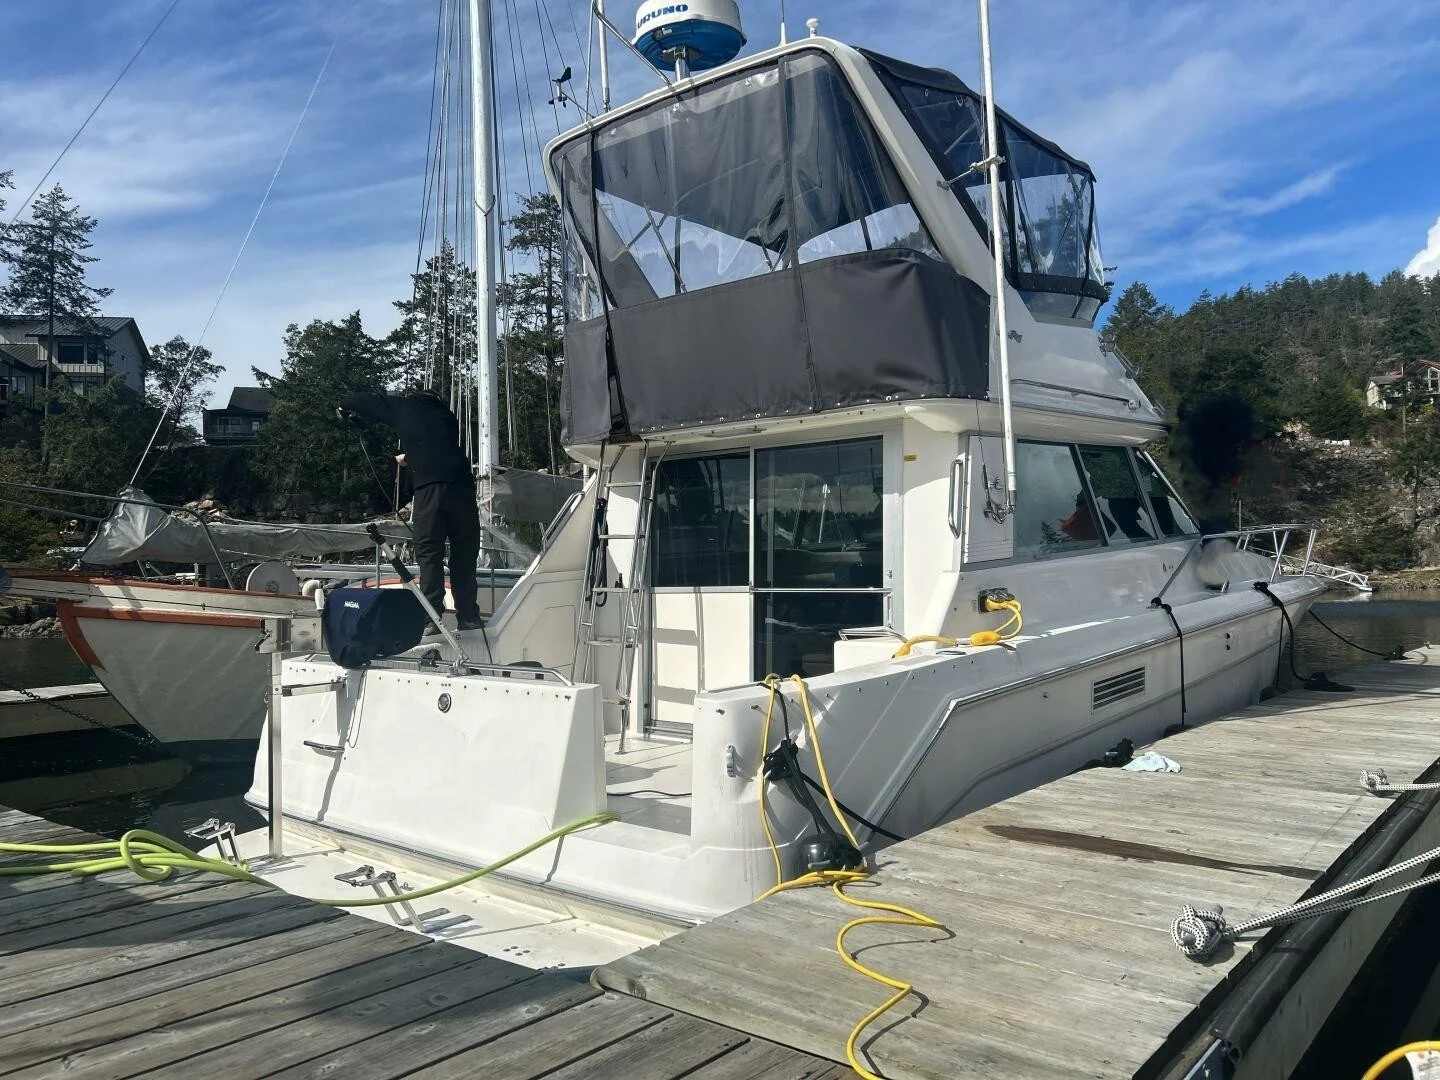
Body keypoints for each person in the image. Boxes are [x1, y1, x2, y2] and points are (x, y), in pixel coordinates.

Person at [339, 386, 482, 632]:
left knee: (430, 553)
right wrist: (410, 458)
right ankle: (468, 617)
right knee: (464, 555)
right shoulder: (448, 416)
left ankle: (432, 619)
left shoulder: (405, 406)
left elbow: (358, 399)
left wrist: (345, 406)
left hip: (430, 491)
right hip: (462, 488)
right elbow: (432, 446)